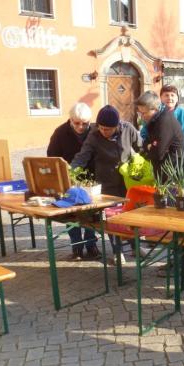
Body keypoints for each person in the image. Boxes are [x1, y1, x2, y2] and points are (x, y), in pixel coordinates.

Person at [71, 105, 142, 264]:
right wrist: (71, 171)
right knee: (113, 218)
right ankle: (117, 251)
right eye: (102, 128)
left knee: (131, 216)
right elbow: (82, 156)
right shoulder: (94, 135)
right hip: (107, 182)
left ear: (117, 125)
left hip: (128, 181)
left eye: (108, 129)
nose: (104, 131)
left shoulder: (128, 129)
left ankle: (135, 246)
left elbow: (141, 148)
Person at [46, 103, 99, 261]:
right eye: (76, 123)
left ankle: (91, 245)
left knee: (91, 212)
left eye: (85, 123)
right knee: (71, 214)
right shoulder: (60, 133)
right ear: (70, 120)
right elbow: (52, 157)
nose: (81, 127)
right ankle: (76, 247)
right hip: (68, 179)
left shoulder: (95, 130)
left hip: (91, 178)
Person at [141, 85, 184, 195]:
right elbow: (144, 133)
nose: (170, 98)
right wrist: (150, 145)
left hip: (180, 163)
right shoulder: (153, 114)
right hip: (161, 166)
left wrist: (180, 147)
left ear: (177, 98)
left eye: (173, 95)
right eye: (166, 95)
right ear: (160, 98)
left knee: (181, 201)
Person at [135, 90, 184, 183]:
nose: (142, 117)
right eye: (140, 113)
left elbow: (157, 153)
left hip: (171, 174)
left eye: (144, 113)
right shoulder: (156, 119)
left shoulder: (164, 121)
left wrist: (150, 148)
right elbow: (146, 142)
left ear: (155, 109)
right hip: (163, 172)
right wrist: (149, 146)